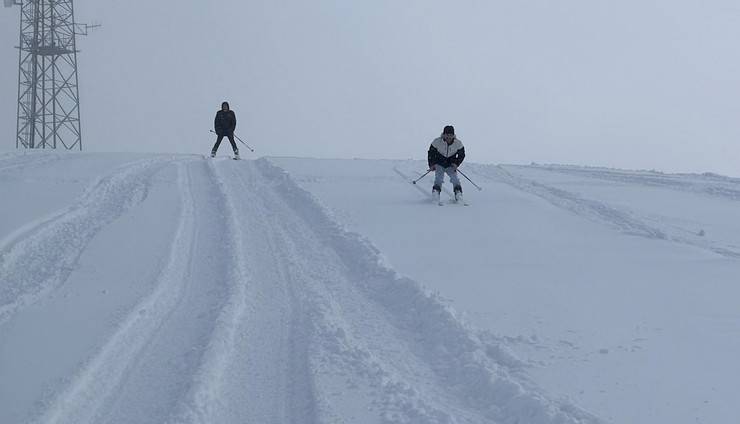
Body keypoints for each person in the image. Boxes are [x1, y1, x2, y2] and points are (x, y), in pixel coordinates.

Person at [428, 125, 466, 203]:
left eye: (451, 135)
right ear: (444, 134)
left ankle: (458, 193)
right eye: (447, 135)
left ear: (453, 135)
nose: (449, 137)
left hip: (451, 164)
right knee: (439, 178)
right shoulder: (437, 141)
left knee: (455, 179)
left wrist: (456, 163)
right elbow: (431, 153)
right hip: (439, 163)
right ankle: (436, 193)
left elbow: (462, 154)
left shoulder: (458, 143)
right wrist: (432, 164)